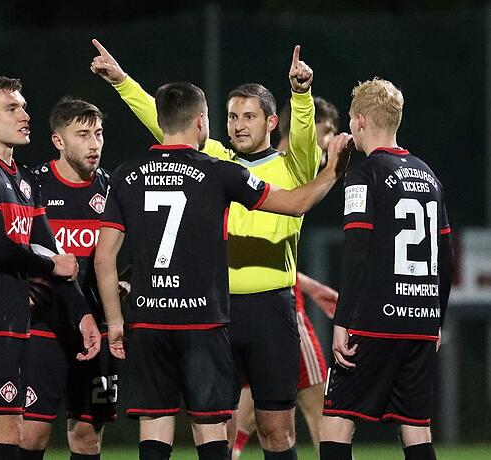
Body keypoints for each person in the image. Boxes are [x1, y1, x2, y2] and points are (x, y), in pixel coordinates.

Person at [93, 81, 351, 460]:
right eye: (231, 116)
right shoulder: (216, 163)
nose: (238, 125)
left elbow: (302, 137)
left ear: (271, 122)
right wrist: (122, 83)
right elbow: (168, 123)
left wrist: (301, 94)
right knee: (218, 425)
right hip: (216, 310)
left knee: (277, 428)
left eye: (249, 116)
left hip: (270, 310)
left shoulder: (293, 164)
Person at [0, 75, 100, 460]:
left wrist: (81, 314)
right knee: (6, 432)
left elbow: (52, 250)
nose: (25, 115)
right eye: (11, 108)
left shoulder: (25, 179)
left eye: (24, 107)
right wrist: (50, 261)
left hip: (13, 320)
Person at [319, 78, 453, 460]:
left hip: (375, 320)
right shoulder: (429, 176)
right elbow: (446, 257)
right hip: (421, 320)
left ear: (360, 120)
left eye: (350, 119)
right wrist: (436, 318)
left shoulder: (364, 174)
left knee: (337, 420)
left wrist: (343, 321)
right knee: (416, 427)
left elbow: (357, 251)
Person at [233, 97, 341, 459]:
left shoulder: (284, 168)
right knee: (317, 403)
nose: (331, 140)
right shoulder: (293, 168)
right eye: (327, 131)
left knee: (256, 412)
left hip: (272, 304)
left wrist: (309, 285)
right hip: (281, 311)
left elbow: (273, 247)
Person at [20, 97, 119, 460]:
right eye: (83, 135)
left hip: (97, 330)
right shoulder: (31, 185)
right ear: (59, 141)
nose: (94, 144)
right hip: (41, 327)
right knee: (30, 434)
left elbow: (133, 253)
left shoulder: (113, 191)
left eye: (99, 133)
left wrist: (126, 283)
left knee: (86, 437)